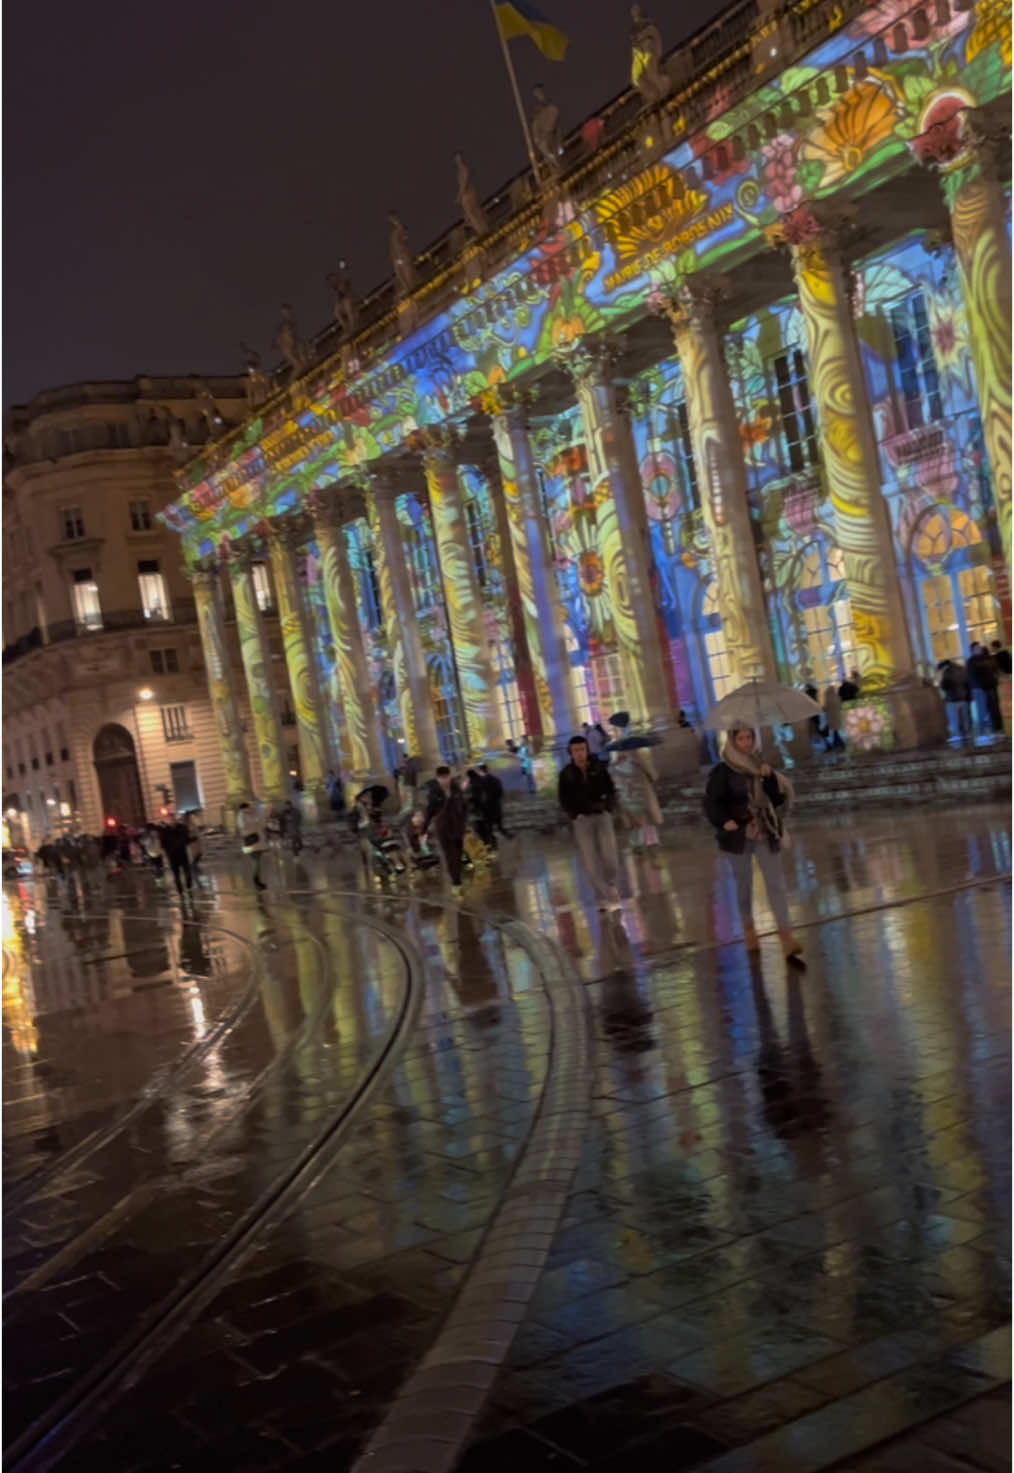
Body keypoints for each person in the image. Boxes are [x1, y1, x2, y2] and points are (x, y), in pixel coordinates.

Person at [704, 723, 802, 961]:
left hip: (765, 831)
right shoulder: (723, 771)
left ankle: (786, 936)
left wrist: (769, 779)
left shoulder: (761, 765)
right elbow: (711, 802)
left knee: (776, 884)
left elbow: (776, 799)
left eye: (749, 738)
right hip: (738, 835)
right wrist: (724, 820)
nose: (746, 743)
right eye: (741, 739)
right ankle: (749, 928)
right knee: (744, 885)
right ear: (732, 741)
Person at [558, 735, 621, 912]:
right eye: (576, 750)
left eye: (582, 749)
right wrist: (574, 814)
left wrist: (608, 807)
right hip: (582, 820)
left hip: (602, 816)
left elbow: (611, 789)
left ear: (587, 750)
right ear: (570, 753)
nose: (579, 753)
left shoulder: (599, 768)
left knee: (610, 857)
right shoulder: (566, 774)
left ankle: (609, 884)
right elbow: (563, 798)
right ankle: (606, 896)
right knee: (590, 861)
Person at [423, 767, 470, 896]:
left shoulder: (456, 789)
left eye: (446, 777)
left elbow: (464, 806)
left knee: (458, 854)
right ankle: (456, 882)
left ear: (450, 776)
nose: (445, 780)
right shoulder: (434, 792)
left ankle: (457, 877)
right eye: (442, 778)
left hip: (457, 826)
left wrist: (465, 821)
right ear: (438, 778)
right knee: (450, 856)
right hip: (443, 828)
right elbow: (429, 812)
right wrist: (424, 831)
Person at [611, 747, 662, 853]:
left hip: (640, 797)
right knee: (635, 822)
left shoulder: (638, 763)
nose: (623, 754)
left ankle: (648, 843)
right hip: (629, 798)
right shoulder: (614, 767)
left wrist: (641, 763)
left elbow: (654, 776)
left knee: (644, 820)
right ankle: (639, 844)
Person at [967, 642, 1002, 734]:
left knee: (992, 709)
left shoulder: (985, 659)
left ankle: (994, 730)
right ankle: (982, 732)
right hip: (980, 689)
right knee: (982, 711)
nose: (979, 649)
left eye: (979, 648)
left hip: (989, 687)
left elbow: (994, 671)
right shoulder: (971, 661)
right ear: (973, 650)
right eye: (977, 648)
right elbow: (972, 677)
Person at [938, 658, 972, 744]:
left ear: (944, 667)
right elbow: (967, 682)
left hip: (952, 699)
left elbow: (944, 686)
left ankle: (957, 736)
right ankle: (967, 734)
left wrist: (941, 678)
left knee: (954, 719)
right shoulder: (961, 669)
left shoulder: (947, 672)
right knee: (964, 718)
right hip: (963, 697)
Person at [236, 803, 267, 890]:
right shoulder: (241, 816)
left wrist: (256, 820)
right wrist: (255, 824)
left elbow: (262, 824)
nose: (250, 808)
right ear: (244, 808)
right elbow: (243, 827)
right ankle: (256, 880)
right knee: (256, 861)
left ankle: (257, 880)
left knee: (257, 862)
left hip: (257, 840)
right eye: (249, 808)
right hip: (250, 841)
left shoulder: (253, 814)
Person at [161, 817, 193, 898]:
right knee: (177, 874)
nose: (172, 821)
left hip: (180, 853)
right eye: (171, 820)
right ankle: (181, 890)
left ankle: (188, 887)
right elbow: (163, 843)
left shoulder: (181, 828)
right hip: (173, 855)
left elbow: (186, 838)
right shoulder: (166, 831)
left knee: (186, 871)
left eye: (173, 820)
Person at [478, 763, 510, 840]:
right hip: (496, 804)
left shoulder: (481, 781)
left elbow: (480, 794)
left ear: (480, 771)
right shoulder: (495, 779)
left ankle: (492, 839)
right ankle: (506, 835)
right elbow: (500, 790)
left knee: (489, 825)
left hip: (487, 806)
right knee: (499, 824)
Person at [822, 682, 844, 751]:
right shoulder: (837, 697)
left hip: (831, 718)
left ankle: (839, 743)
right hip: (837, 717)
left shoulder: (827, 698)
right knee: (836, 731)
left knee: (835, 731)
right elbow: (840, 706)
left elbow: (825, 708)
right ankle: (839, 743)